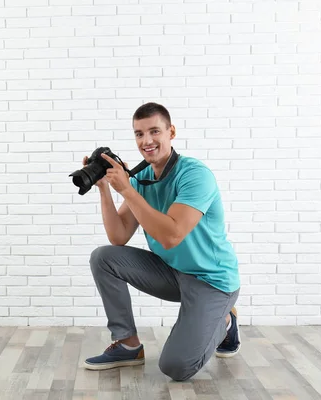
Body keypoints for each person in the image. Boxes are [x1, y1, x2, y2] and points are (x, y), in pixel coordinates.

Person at [82, 102, 241, 381]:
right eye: (139, 134)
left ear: (171, 132)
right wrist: (105, 190)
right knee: (103, 257)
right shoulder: (142, 177)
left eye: (154, 131)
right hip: (172, 273)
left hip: (211, 281)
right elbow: (118, 236)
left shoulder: (194, 175)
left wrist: (128, 191)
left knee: (176, 367)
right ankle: (128, 345)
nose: (147, 141)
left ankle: (225, 320)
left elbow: (171, 235)